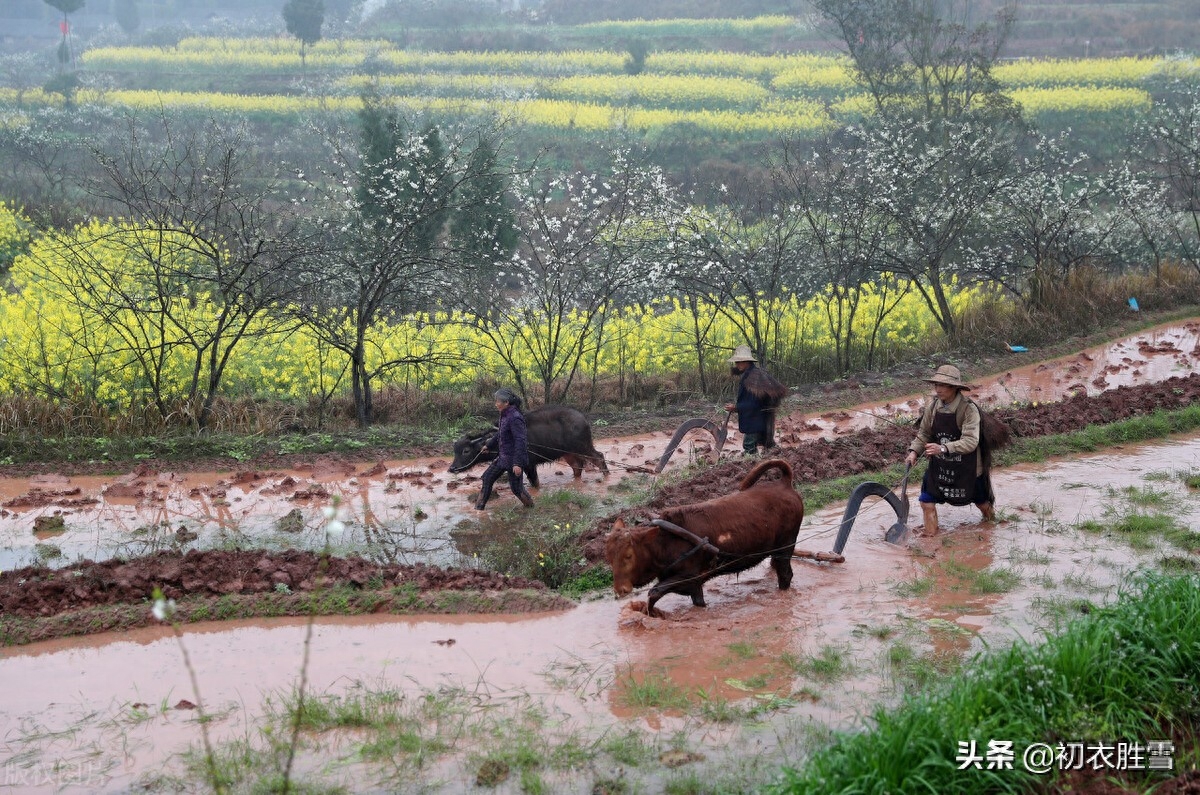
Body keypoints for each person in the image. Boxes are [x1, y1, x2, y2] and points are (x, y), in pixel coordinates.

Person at [904, 364, 996, 535]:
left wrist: (943, 448)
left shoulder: (968, 409)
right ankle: (931, 540)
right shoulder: (933, 407)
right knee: (926, 502)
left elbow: (970, 441)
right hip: (940, 467)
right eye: (936, 385)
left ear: (954, 387)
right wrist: (914, 451)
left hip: (967, 468)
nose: (937, 389)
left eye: (942, 385)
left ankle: (992, 528)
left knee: (982, 504)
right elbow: (924, 432)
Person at [475, 387, 535, 510]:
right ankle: (479, 509)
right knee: (487, 478)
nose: (496, 404)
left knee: (517, 489)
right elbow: (500, 433)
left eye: (497, 401)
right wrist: (489, 445)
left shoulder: (515, 417)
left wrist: (518, 463)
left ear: (506, 403)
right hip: (503, 458)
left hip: (513, 460)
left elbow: (521, 441)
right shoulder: (505, 414)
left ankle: (530, 508)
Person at [723, 344, 787, 456]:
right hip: (761, 420)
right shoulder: (752, 374)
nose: (736, 365)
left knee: (749, 446)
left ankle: (754, 465)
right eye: (736, 362)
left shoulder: (753, 377)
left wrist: (736, 407)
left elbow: (754, 404)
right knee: (767, 446)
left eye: (739, 362)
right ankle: (772, 460)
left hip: (755, 420)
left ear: (747, 361)